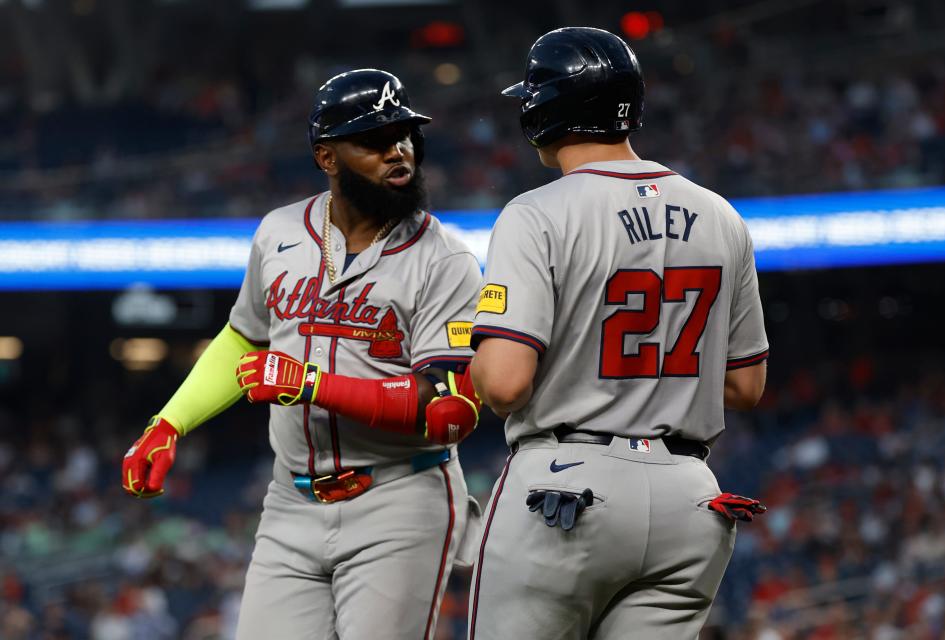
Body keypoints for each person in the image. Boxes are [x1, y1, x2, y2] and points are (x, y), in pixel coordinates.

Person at [121, 68, 484, 640]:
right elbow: (246, 337)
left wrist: (311, 382)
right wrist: (169, 422)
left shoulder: (447, 260)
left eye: (405, 135)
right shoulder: (280, 231)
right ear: (327, 157)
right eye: (374, 140)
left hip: (399, 497)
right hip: (290, 500)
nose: (399, 152)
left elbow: (444, 409)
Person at [467, 28, 769, 640]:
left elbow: (503, 384)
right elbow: (745, 386)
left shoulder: (537, 213)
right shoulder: (720, 214)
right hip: (690, 499)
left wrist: (467, 356)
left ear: (545, 110)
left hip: (564, 492)